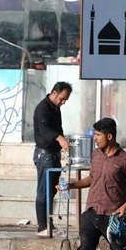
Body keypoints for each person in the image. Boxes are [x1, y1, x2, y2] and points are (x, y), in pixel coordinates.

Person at [67, 118, 126, 250]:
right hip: (91, 212)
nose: (95, 138)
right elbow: (92, 179)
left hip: (112, 216)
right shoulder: (96, 155)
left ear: (109, 136)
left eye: (98, 135)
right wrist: (71, 185)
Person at [33, 81, 73, 237]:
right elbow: (45, 130)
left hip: (53, 154)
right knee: (43, 191)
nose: (63, 102)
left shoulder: (56, 109)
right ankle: (42, 226)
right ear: (54, 93)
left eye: (66, 100)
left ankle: (49, 223)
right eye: (62, 98)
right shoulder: (43, 109)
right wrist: (60, 138)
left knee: (51, 191)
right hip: (44, 155)